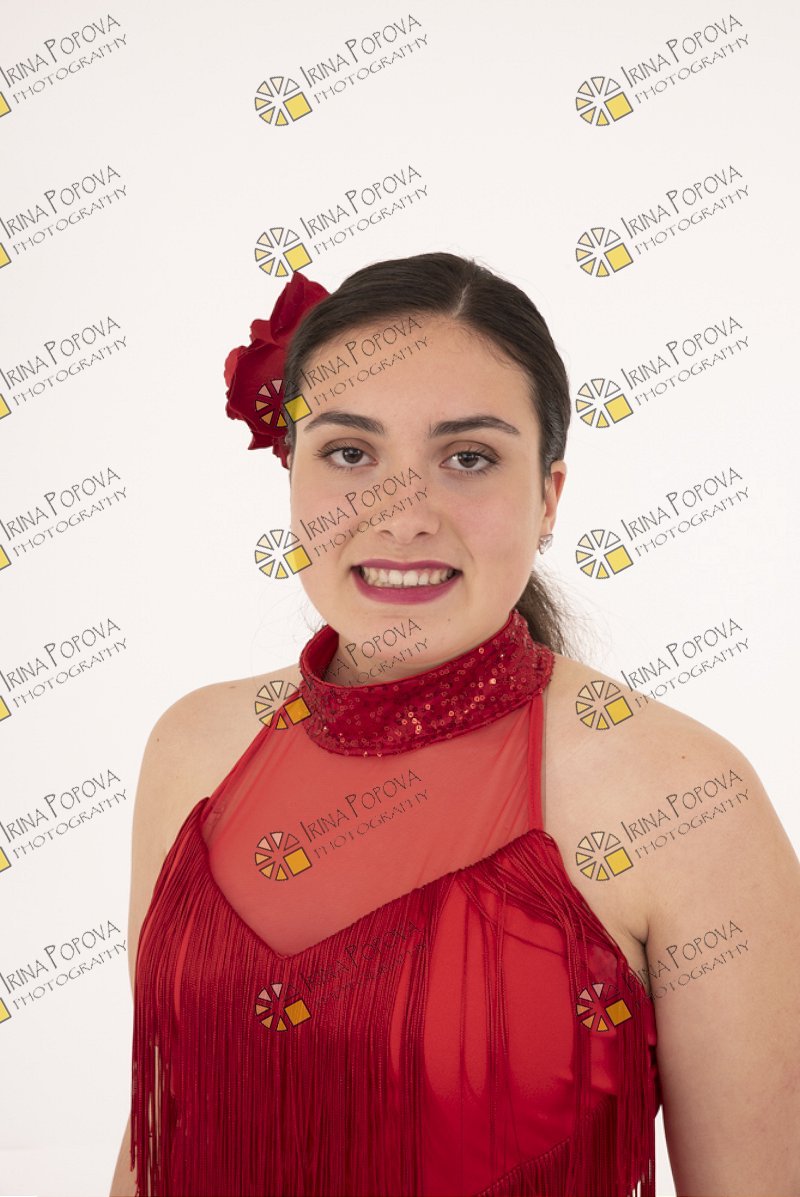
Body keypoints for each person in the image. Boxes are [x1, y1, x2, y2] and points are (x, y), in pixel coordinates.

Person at [110, 252, 800, 1197]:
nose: (403, 516)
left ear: (549, 496)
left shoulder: (684, 798)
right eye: (350, 453)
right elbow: (154, 1138)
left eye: (468, 457)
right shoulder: (194, 748)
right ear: (294, 477)